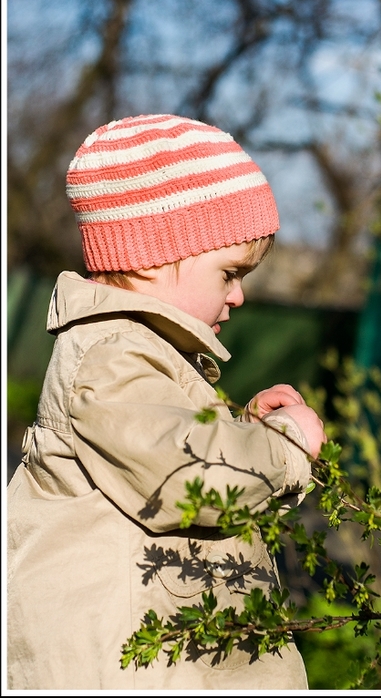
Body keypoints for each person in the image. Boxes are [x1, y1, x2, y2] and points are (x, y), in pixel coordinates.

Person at [7, 114, 326, 690]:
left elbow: (172, 457)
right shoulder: (112, 355)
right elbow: (192, 477)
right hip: (124, 669)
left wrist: (242, 431)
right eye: (229, 273)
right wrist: (285, 445)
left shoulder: (138, 355)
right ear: (155, 256)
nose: (240, 294)